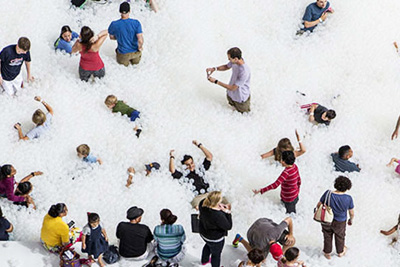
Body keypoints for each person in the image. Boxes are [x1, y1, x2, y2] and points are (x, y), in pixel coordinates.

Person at [316, 176, 354, 259]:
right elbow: (351, 212)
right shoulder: (348, 198)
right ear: (347, 187)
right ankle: (340, 252)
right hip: (340, 222)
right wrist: (351, 219)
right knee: (340, 237)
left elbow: (319, 204)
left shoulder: (327, 193)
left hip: (326, 220)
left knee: (327, 236)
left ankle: (327, 252)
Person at [169, 140, 214, 209]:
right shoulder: (183, 175)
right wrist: (172, 157)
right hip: (197, 197)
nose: (191, 166)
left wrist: (199, 145)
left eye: (192, 163)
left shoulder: (200, 170)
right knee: (197, 207)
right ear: (183, 166)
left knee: (223, 202)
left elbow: (209, 157)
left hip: (208, 194)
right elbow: (172, 170)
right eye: (187, 165)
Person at [206, 47, 251, 113]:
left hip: (241, 100)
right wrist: (214, 68)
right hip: (231, 95)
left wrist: (216, 81)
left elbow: (233, 88)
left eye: (229, 59)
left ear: (235, 59)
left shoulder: (244, 71)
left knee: (244, 115)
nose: (228, 60)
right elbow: (227, 66)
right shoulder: (235, 62)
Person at [199, 191, 232, 267]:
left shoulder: (202, 203)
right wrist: (227, 212)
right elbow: (228, 226)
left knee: (208, 245)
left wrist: (218, 207)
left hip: (203, 233)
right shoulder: (218, 215)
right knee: (216, 255)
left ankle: (204, 261)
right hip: (215, 238)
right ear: (217, 202)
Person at [108, 2, 144, 66]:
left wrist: (119, 36)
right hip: (135, 53)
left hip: (123, 54)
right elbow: (140, 40)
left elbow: (111, 37)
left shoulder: (114, 24)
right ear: (129, 11)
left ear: (120, 11)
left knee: (123, 66)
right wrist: (140, 47)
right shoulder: (136, 23)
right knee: (136, 65)